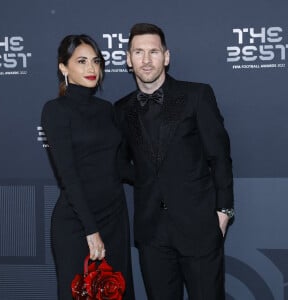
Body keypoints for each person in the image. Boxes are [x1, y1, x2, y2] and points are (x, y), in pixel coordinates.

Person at [114, 23, 234, 300]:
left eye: (153, 51)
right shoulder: (121, 109)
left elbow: (220, 157)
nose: (146, 59)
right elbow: (120, 164)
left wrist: (223, 212)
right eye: (138, 52)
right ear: (128, 60)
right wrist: (147, 178)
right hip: (152, 233)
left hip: (200, 227)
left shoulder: (197, 95)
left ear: (166, 57)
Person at [41, 34, 135, 300]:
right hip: (78, 223)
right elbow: (68, 175)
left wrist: (162, 173)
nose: (91, 68)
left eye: (95, 61)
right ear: (63, 67)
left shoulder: (107, 110)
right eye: (81, 61)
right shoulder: (55, 110)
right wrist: (91, 230)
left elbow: (119, 166)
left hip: (114, 218)